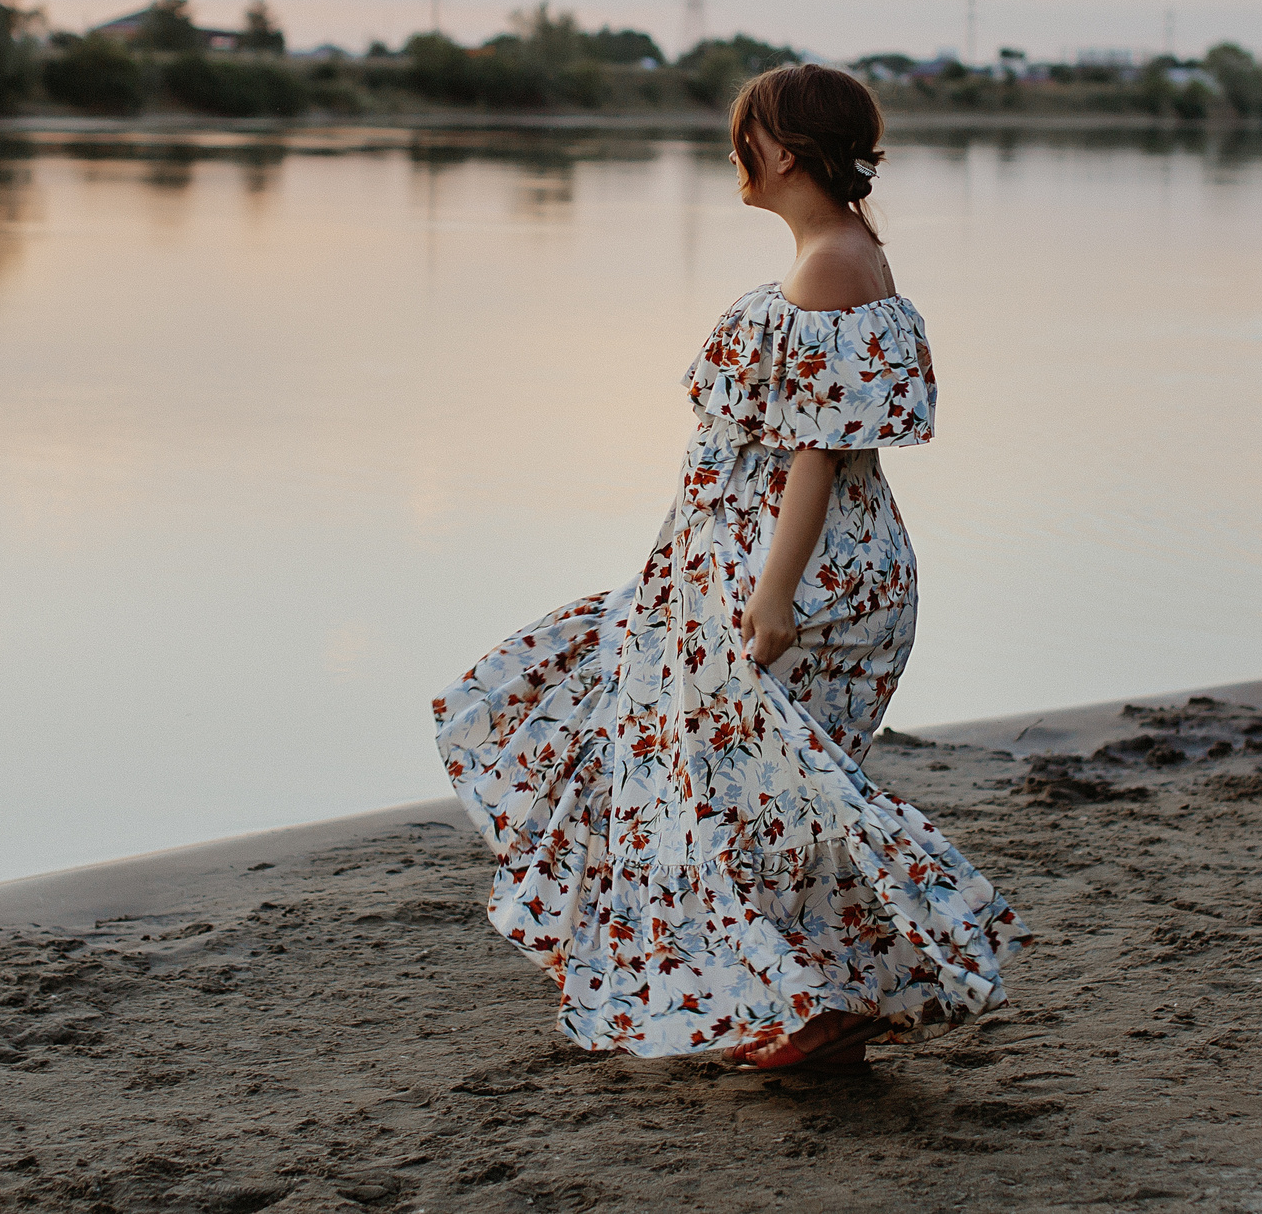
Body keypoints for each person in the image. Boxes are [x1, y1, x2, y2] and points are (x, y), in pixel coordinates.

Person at [433, 63, 1027, 1072]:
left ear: (783, 153)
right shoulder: (840, 251)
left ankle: (821, 1006)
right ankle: (818, 1003)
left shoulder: (833, 264)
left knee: (750, 796)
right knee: (729, 781)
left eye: (741, 137)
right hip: (764, 567)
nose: (731, 156)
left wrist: (772, 596)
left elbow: (817, 450)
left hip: (799, 576)